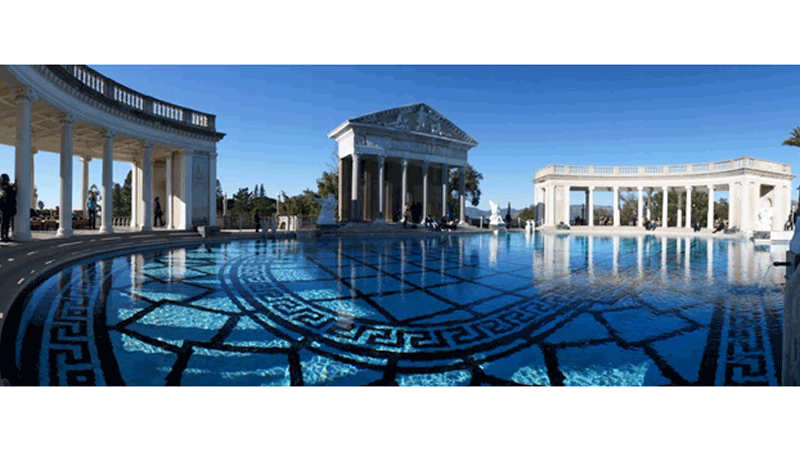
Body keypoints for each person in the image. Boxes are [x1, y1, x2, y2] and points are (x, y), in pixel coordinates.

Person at [0, 174, 17, 242]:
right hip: (4, 207)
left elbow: (14, 194)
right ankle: (3, 237)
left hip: (10, 206)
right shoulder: (3, 186)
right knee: (4, 223)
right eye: (5, 178)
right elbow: (4, 188)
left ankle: (6, 236)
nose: (6, 180)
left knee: (7, 223)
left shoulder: (9, 187)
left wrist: (14, 187)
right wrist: (13, 186)